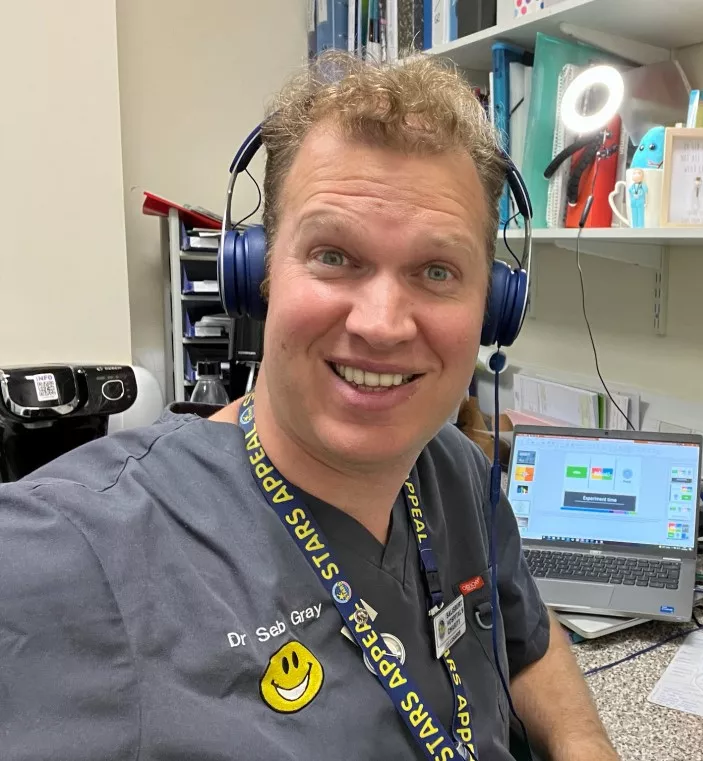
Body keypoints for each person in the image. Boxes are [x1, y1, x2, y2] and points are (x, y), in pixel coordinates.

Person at [0, 51, 619, 761]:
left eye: (437, 270)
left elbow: (527, 640)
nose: (382, 322)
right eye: (333, 256)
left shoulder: (453, 466)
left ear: (495, 307)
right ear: (256, 276)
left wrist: (584, 742)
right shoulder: (75, 548)